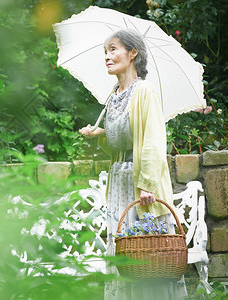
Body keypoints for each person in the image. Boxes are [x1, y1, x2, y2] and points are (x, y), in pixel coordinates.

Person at [79, 29, 187, 299]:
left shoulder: (145, 91)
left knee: (148, 255)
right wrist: (100, 134)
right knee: (124, 251)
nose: (107, 56)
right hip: (118, 182)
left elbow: (152, 139)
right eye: (105, 51)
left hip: (141, 187)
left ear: (133, 53)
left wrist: (147, 185)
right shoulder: (113, 94)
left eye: (113, 49)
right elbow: (123, 140)